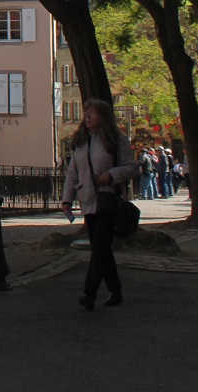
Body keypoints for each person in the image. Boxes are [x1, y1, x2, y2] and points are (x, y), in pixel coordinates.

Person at [60, 98, 135, 311]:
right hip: (88, 200)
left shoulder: (115, 140)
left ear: (103, 116)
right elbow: (73, 173)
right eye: (87, 114)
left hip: (106, 199)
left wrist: (110, 175)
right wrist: (67, 199)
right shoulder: (82, 142)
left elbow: (131, 166)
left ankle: (89, 293)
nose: (88, 118)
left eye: (92, 114)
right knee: (100, 248)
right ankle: (116, 290)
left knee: (100, 245)